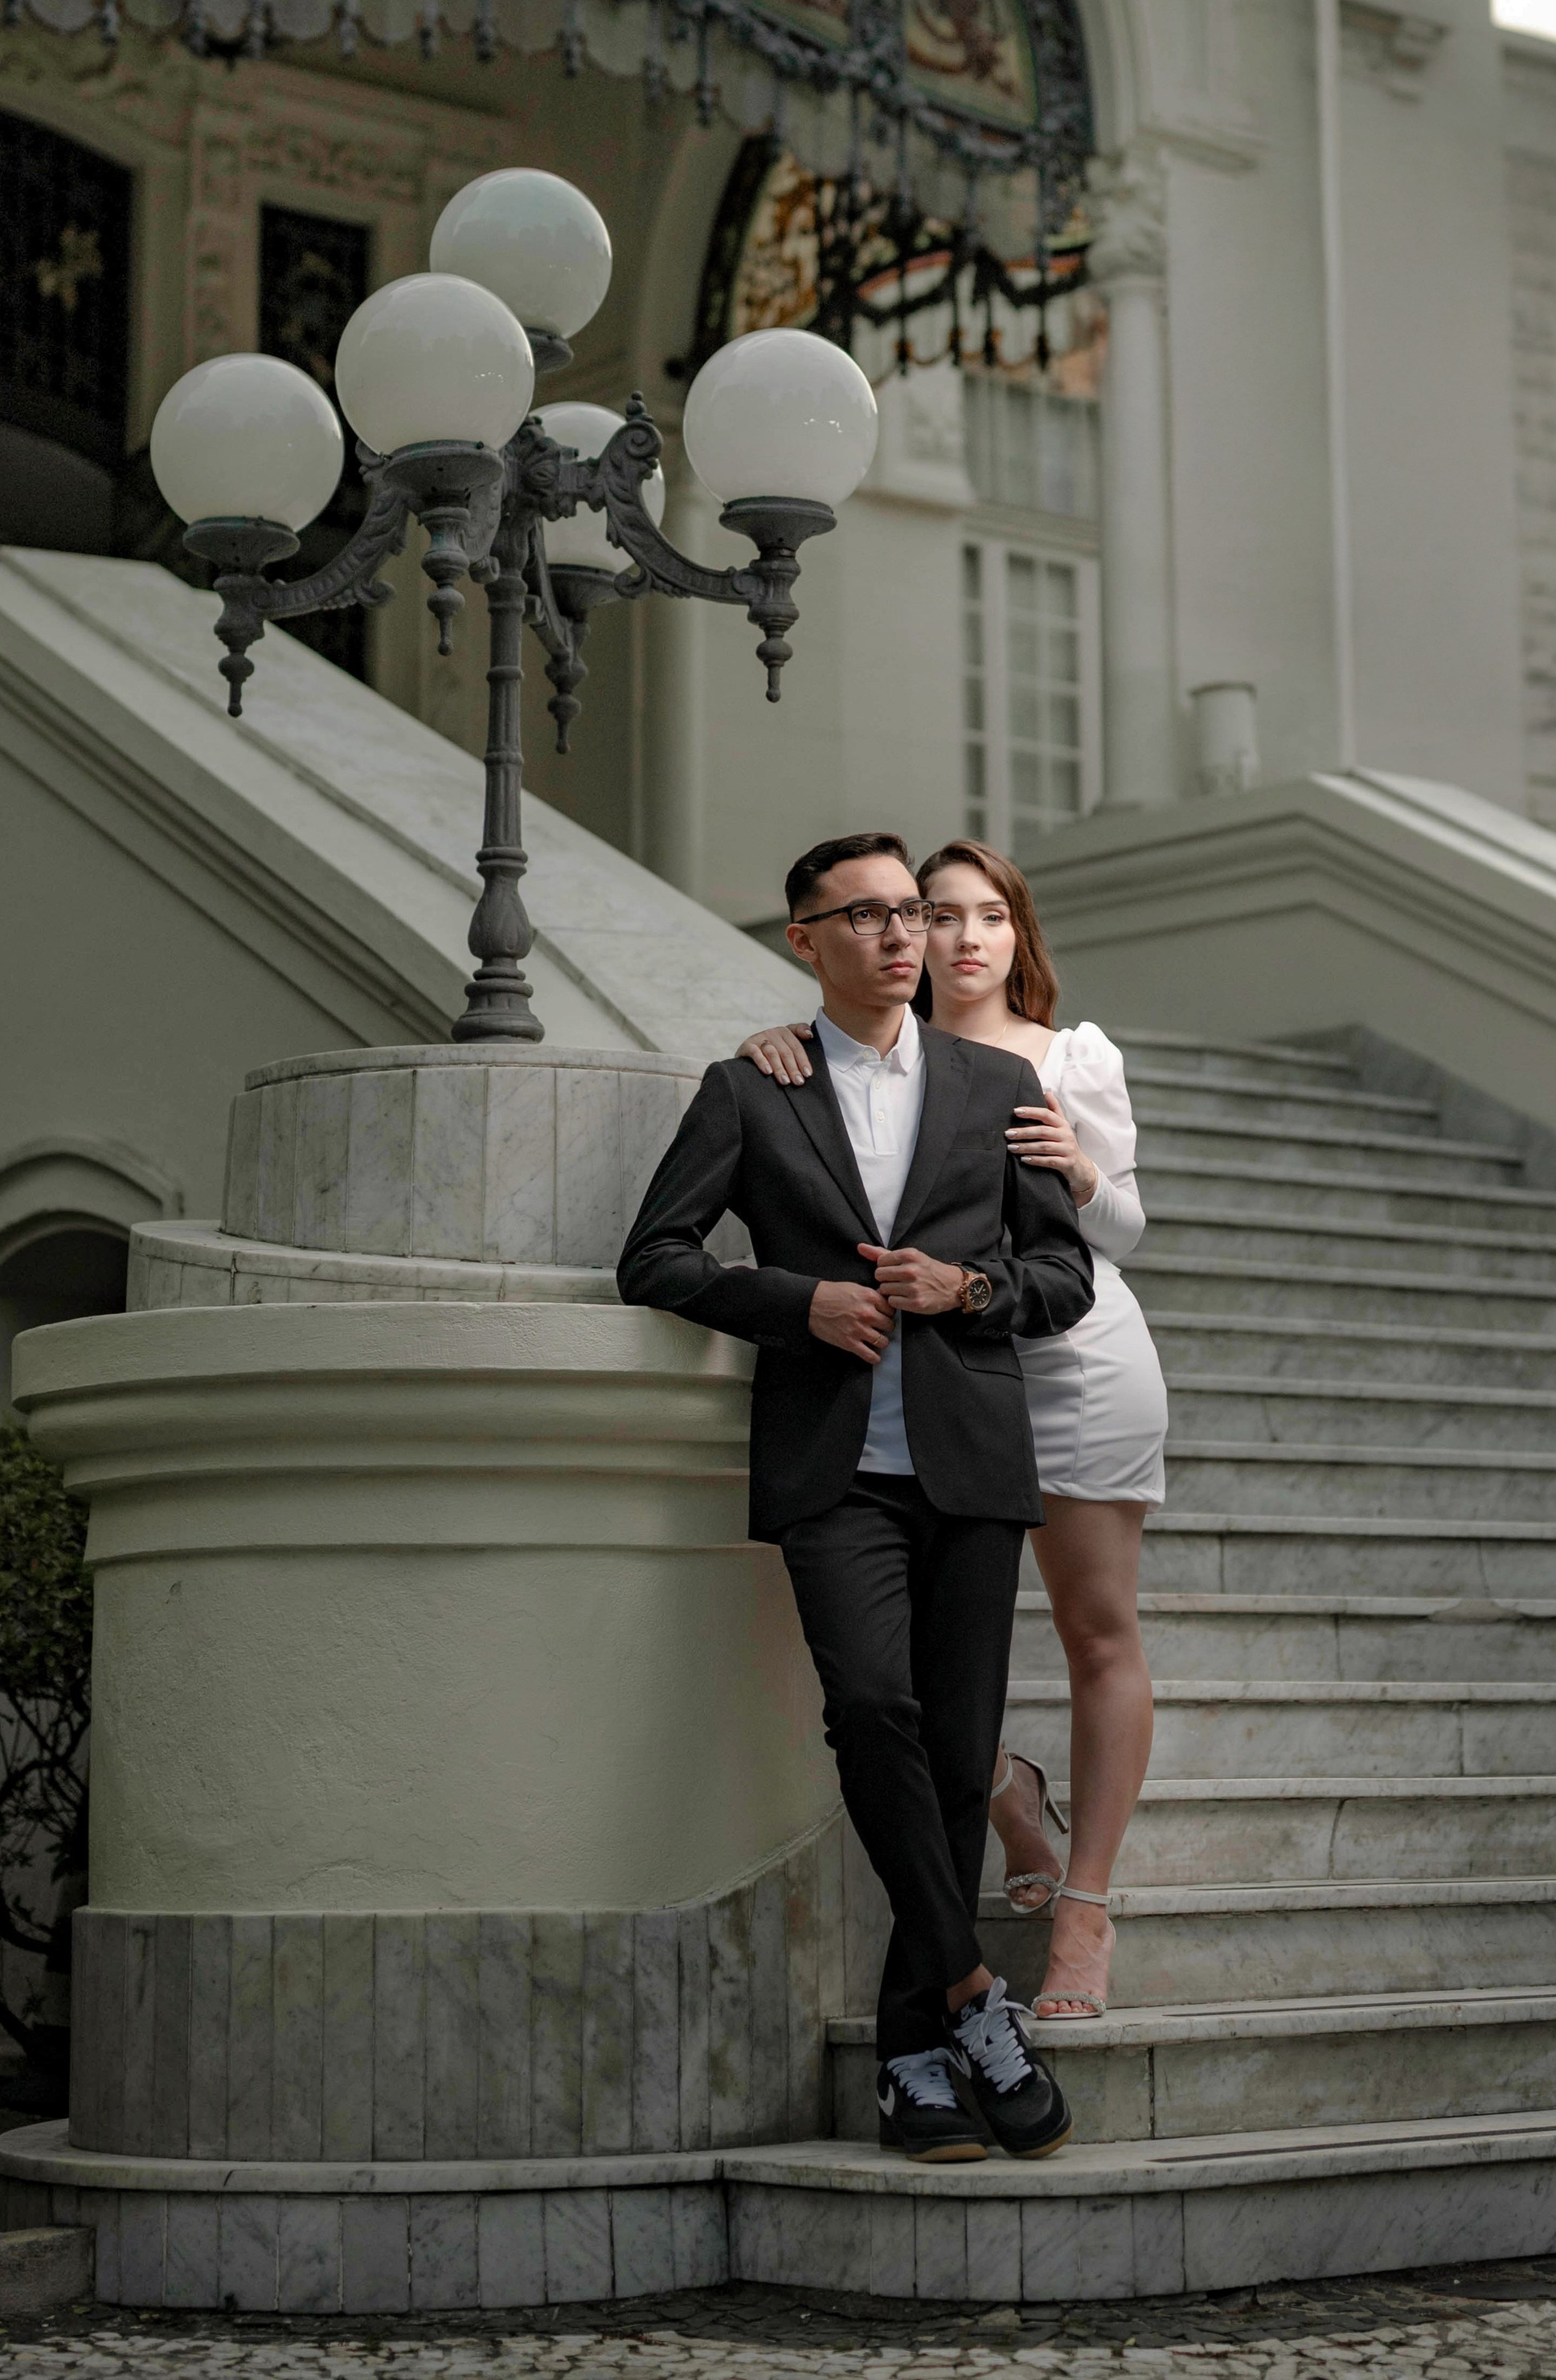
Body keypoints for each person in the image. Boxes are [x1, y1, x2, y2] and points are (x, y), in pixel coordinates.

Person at [616, 831, 1096, 2163]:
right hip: (835, 1467)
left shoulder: (998, 1083)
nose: (904, 935)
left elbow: (1065, 1279)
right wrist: (794, 1302)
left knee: (953, 1761)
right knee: (871, 1709)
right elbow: (650, 1256)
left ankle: (915, 2069)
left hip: (974, 1465)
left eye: (912, 912)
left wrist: (969, 1288)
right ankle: (971, 1996)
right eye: (869, 914)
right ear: (804, 938)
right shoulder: (752, 1088)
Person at [737, 836, 1166, 2022]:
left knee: (1095, 1630)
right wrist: (765, 1047)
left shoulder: (1069, 1055)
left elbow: (1121, 1236)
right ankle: (1005, 1793)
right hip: (925, 1383)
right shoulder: (869, 1051)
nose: (966, 936)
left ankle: (1084, 1910)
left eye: (992, 915)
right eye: (939, 912)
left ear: (1020, 936)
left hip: (1068, 1362)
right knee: (910, 1679)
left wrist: (1078, 1168)